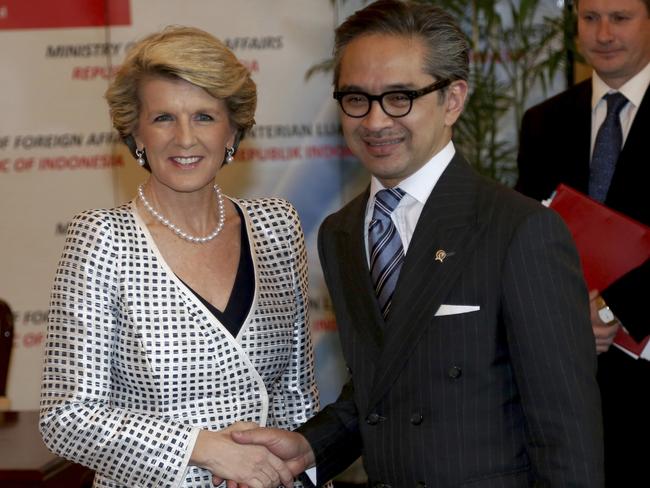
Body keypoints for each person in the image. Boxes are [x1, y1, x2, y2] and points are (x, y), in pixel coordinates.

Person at [226, 1, 605, 487]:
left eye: (400, 97)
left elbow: (565, 431)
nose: (376, 121)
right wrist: (308, 447)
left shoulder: (519, 230)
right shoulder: (341, 233)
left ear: (453, 100)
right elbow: (379, 389)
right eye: (356, 99)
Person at [39, 26, 320, 488]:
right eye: (164, 118)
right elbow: (67, 417)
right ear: (135, 132)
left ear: (233, 128)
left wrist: (302, 475)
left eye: (205, 117)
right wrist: (206, 450)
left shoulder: (275, 226)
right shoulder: (102, 238)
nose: (184, 138)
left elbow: (296, 397)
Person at [515, 0, 650, 485]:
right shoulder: (543, 121)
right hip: (565, 371)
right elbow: (526, 235)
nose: (604, 33)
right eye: (590, 18)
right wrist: (567, 310)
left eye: (621, 17)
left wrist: (614, 308)